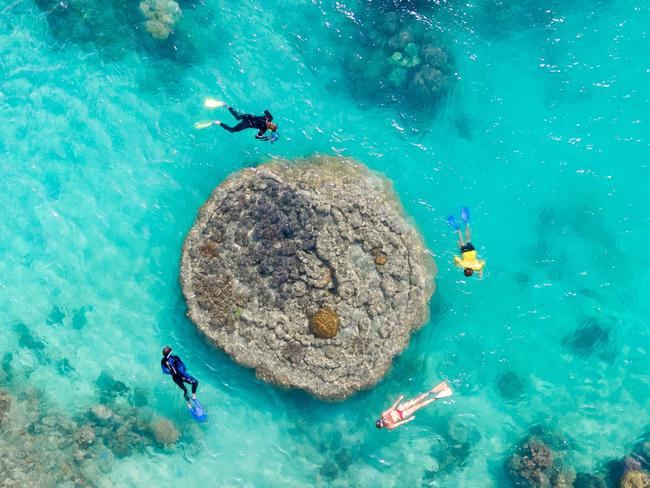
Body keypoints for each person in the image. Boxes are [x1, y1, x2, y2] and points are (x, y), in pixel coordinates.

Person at [376, 381, 453, 430]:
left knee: (416, 400)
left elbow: (392, 407)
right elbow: (400, 423)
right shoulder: (390, 427)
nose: (384, 423)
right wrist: (409, 419)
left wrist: (399, 400)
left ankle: (431, 392)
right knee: (418, 405)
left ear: (381, 420)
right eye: (383, 425)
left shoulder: (384, 415)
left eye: (382, 423)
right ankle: (436, 397)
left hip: (399, 409)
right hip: (402, 415)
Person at [448, 206, 485, 278]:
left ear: (472, 271)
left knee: (468, 239)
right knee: (461, 240)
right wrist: (456, 264)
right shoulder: (463, 265)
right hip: (464, 251)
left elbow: (483, 261)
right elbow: (456, 258)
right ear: (465, 270)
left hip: (472, 251)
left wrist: (481, 271)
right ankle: (458, 229)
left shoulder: (477, 267)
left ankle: (467, 223)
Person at [213, 105, 278, 141]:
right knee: (232, 130)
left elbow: (265, 110)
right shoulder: (263, 129)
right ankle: (218, 122)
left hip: (249, 116)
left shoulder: (270, 117)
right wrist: (266, 138)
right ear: (269, 129)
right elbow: (256, 137)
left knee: (237, 117)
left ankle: (228, 106)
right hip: (246, 124)